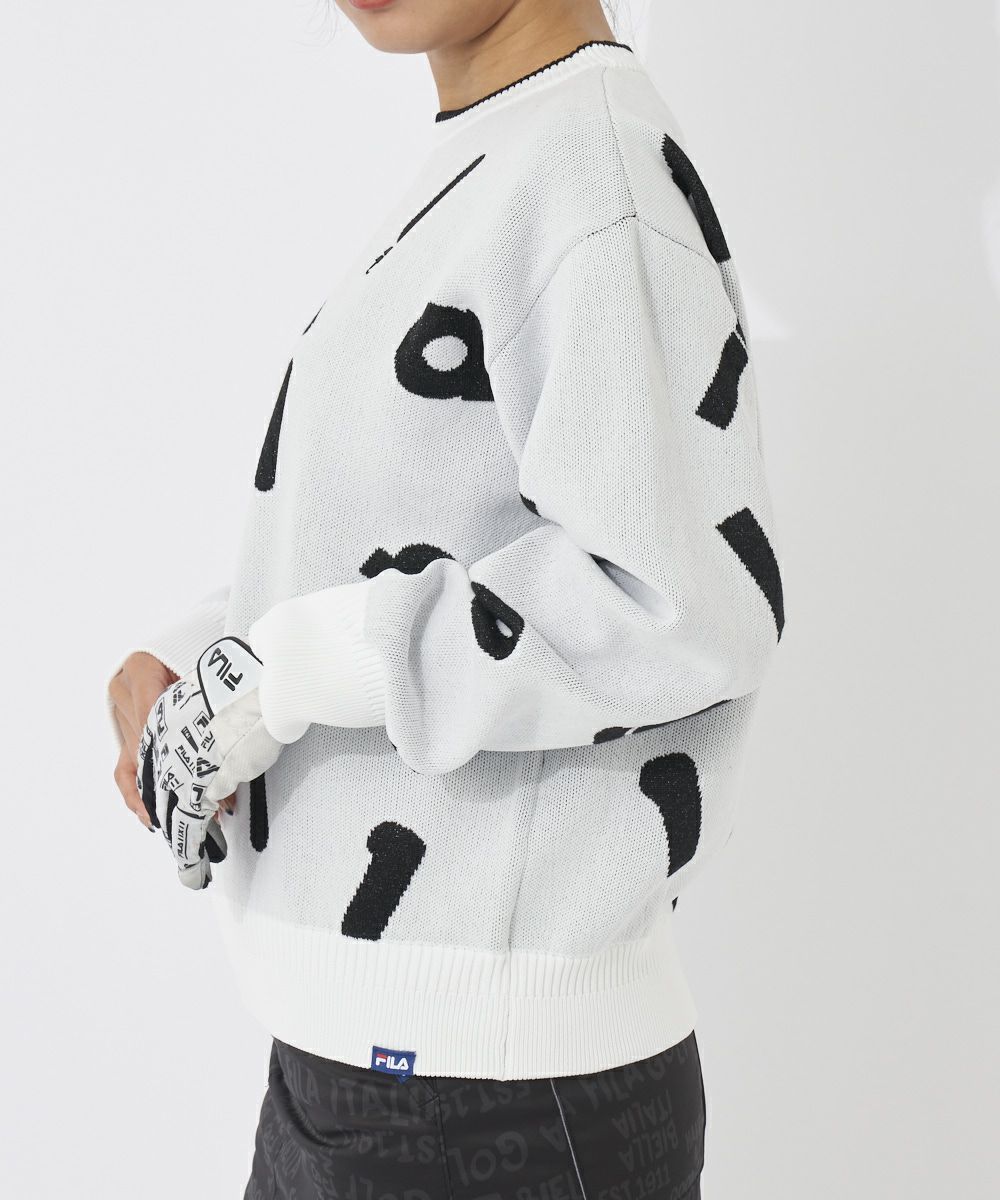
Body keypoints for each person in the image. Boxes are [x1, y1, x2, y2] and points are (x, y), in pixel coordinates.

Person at [107, 0, 785, 1195]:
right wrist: (204, 655)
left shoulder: (590, 173)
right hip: (377, 1060)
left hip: (487, 1091)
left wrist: (289, 669)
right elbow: (413, 534)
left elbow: (681, 602)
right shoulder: (505, 152)